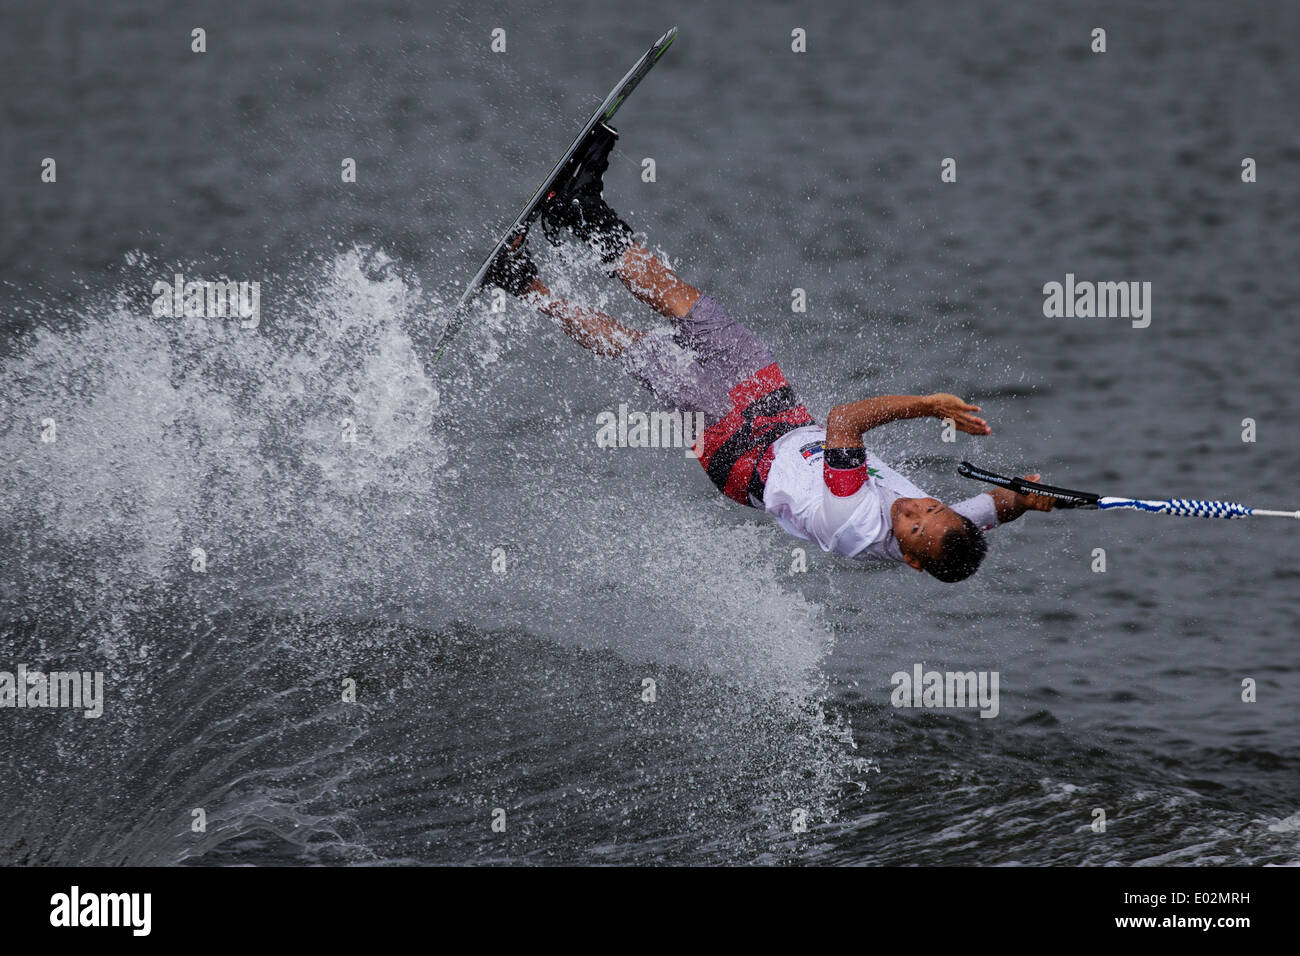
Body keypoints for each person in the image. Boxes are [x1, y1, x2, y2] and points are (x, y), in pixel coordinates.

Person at [482, 123, 1054, 582]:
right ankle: (579, 214)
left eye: (912, 526)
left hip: (742, 460)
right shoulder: (949, 528)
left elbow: (847, 421)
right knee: (693, 312)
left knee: (647, 353)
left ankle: (522, 281)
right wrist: (1029, 498)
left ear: (906, 554)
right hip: (784, 427)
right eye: (929, 508)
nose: (914, 510)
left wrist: (927, 405)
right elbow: (992, 510)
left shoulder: (852, 522)